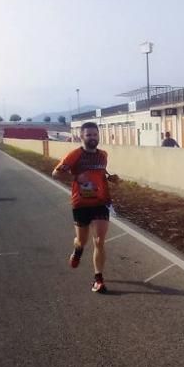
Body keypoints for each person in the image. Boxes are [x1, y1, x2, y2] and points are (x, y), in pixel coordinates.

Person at [51, 121, 121, 294]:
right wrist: (76, 178)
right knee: (82, 240)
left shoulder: (103, 155)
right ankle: (77, 250)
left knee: (99, 241)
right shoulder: (74, 155)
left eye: (95, 134)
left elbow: (100, 174)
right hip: (81, 203)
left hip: (100, 202)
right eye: (88, 135)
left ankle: (98, 279)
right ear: (81, 136)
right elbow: (56, 173)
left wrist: (111, 179)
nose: (92, 138)